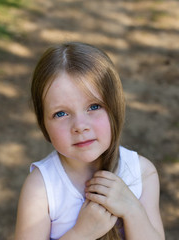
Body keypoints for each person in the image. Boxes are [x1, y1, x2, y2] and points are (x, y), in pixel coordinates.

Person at [15, 42, 165, 240]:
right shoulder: (42, 188)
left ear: (115, 107)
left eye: (94, 107)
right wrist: (81, 234)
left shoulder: (141, 174)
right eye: (61, 113)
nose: (80, 125)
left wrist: (132, 209)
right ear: (43, 123)